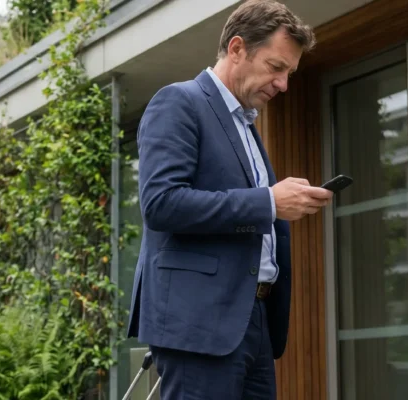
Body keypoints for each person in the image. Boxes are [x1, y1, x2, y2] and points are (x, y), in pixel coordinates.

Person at [125, 1, 330, 398]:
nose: (284, 84)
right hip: (199, 325)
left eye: (290, 72)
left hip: (253, 322)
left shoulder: (245, 124)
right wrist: (268, 203)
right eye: (276, 68)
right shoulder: (178, 102)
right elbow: (162, 203)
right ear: (237, 49)